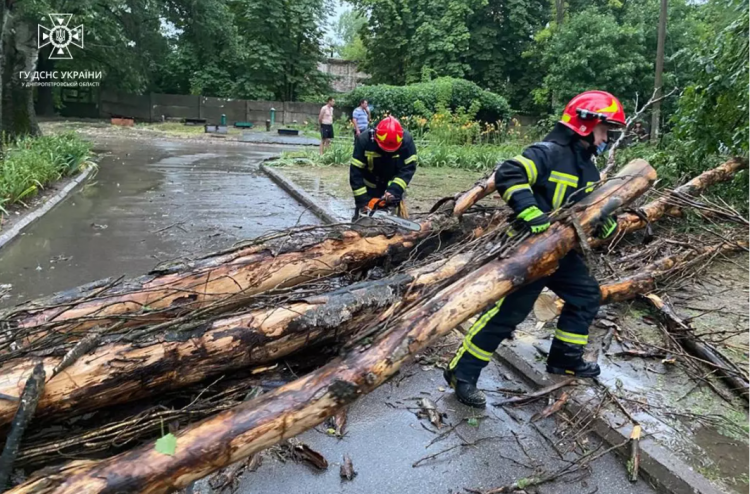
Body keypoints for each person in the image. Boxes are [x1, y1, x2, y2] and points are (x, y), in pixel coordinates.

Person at [443, 90, 626, 408]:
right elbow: (509, 173)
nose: (607, 137)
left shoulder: (589, 170)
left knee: (586, 296)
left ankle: (565, 359)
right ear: (585, 124)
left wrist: (603, 222)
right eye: (605, 129)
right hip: (528, 250)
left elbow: (585, 210)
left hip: (560, 253)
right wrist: (529, 211)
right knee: (509, 314)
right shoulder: (548, 152)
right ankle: (463, 374)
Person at [350, 116, 417, 220]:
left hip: (393, 185)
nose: (388, 152)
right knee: (361, 222)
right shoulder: (364, 141)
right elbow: (356, 173)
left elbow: (408, 168)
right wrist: (363, 201)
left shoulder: (406, 141)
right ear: (376, 137)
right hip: (369, 187)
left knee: (393, 223)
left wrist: (395, 190)